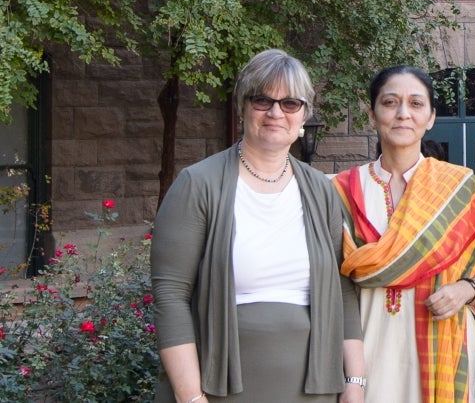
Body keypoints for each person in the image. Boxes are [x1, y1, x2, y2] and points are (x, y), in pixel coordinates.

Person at [151, 48, 365, 403]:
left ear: (304, 116)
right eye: (262, 100)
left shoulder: (322, 192)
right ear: (242, 107)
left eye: (290, 103)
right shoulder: (198, 185)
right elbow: (170, 296)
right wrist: (191, 398)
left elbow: (343, 291)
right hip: (217, 389)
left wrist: (355, 382)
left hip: (313, 388)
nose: (276, 112)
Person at [333, 66, 475, 403]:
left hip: (443, 355)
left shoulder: (460, 188)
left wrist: (466, 290)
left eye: (416, 104)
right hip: (364, 360)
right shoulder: (341, 191)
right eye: (390, 102)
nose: (403, 113)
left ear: (431, 117)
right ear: (372, 113)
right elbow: (332, 287)